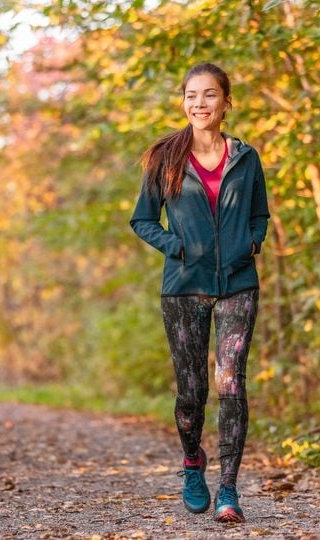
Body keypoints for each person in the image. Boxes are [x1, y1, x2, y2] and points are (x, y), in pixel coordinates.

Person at [130, 63, 269, 522]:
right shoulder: (165, 158)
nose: (200, 104)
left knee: (231, 382)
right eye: (192, 95)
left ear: (227, 102)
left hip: (237, 284)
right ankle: (193, 462)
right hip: (184, 289)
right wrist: (178, 248)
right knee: (192, 391)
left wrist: (251, 243)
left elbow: (260, 214)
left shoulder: (245, 158)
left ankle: (229, 489)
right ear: (183, 101)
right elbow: (143, 220)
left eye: (210, 95)